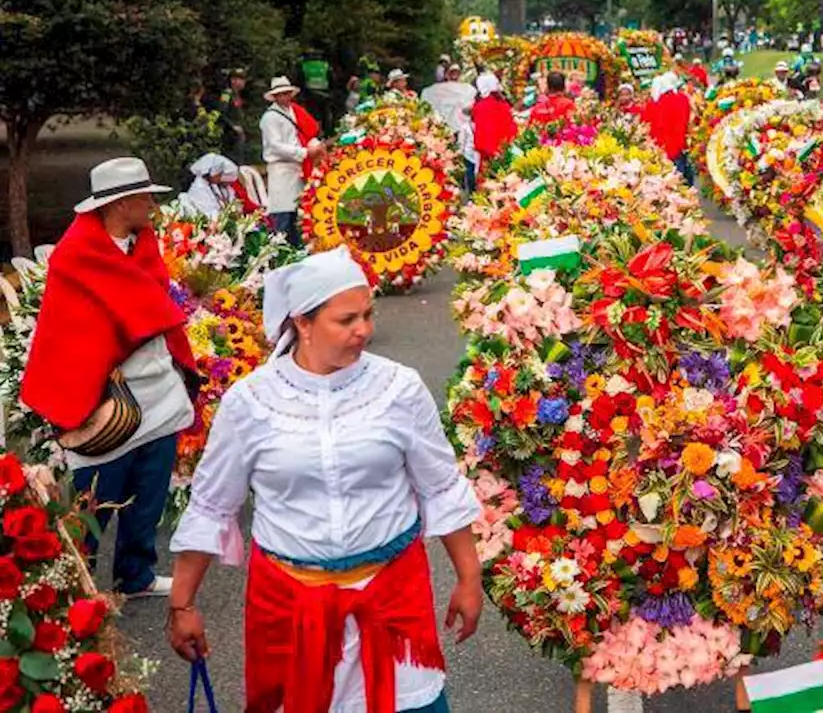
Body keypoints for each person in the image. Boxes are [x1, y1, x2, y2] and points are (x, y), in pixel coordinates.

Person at [167, 247, 483, 713]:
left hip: (391, 596)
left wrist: (468, 577)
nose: (365, 331)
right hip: (290, 606)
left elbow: (439, 487)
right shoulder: (251, 402)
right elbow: (213, 505)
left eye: (368, 315)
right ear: (303, 323)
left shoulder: (398, 388)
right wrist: (182, 604)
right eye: (347, 319)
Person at [22, 157, 197, 599]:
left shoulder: (144, 242)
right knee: (94, 501)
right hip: (104, 399)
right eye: (145, 198)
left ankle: (135, 576)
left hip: (157, 392)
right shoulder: (77, 254)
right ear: (120, 205)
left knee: (149, 496)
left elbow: (151, 308)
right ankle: (76, 585)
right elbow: (74, 333)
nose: (153, 206)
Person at [260, 76, 324, 246]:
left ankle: (295, 247)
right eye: (281, 95)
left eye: (287, 94)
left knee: (296, 212)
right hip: (280, 168)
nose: (285, 98)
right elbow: (275, 146)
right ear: (275, 97)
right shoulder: (270, 118)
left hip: (295, 167)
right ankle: (278, 250)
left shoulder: (292, 112)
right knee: (282, 212)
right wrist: (304, 152)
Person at [641, 72, 694, 186]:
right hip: (680, 143)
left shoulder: (655, 104)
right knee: (682, 173)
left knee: (673, 180)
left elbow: (649, 125)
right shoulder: (682, 98)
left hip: (664, 147)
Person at [470, 73, 517, 191]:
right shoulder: (504, 105)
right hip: (506, 156)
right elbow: (512, 131)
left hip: (487, 159)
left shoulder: (479, 107)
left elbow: (480, 138)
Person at [180, 153, 255, 218]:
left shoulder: (215, 186)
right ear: (212, 174)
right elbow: (208, 211)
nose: (220, 178)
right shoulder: (199, 187)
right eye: (219, 175)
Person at [215, 68, 248, 164]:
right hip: (229, 135)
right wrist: (233, 126)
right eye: (240, 79)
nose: (242, 82)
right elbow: (221, 113)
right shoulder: (227, 94)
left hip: (237, 136)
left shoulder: (237, 95)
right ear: (233, 80)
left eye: (243, 79)